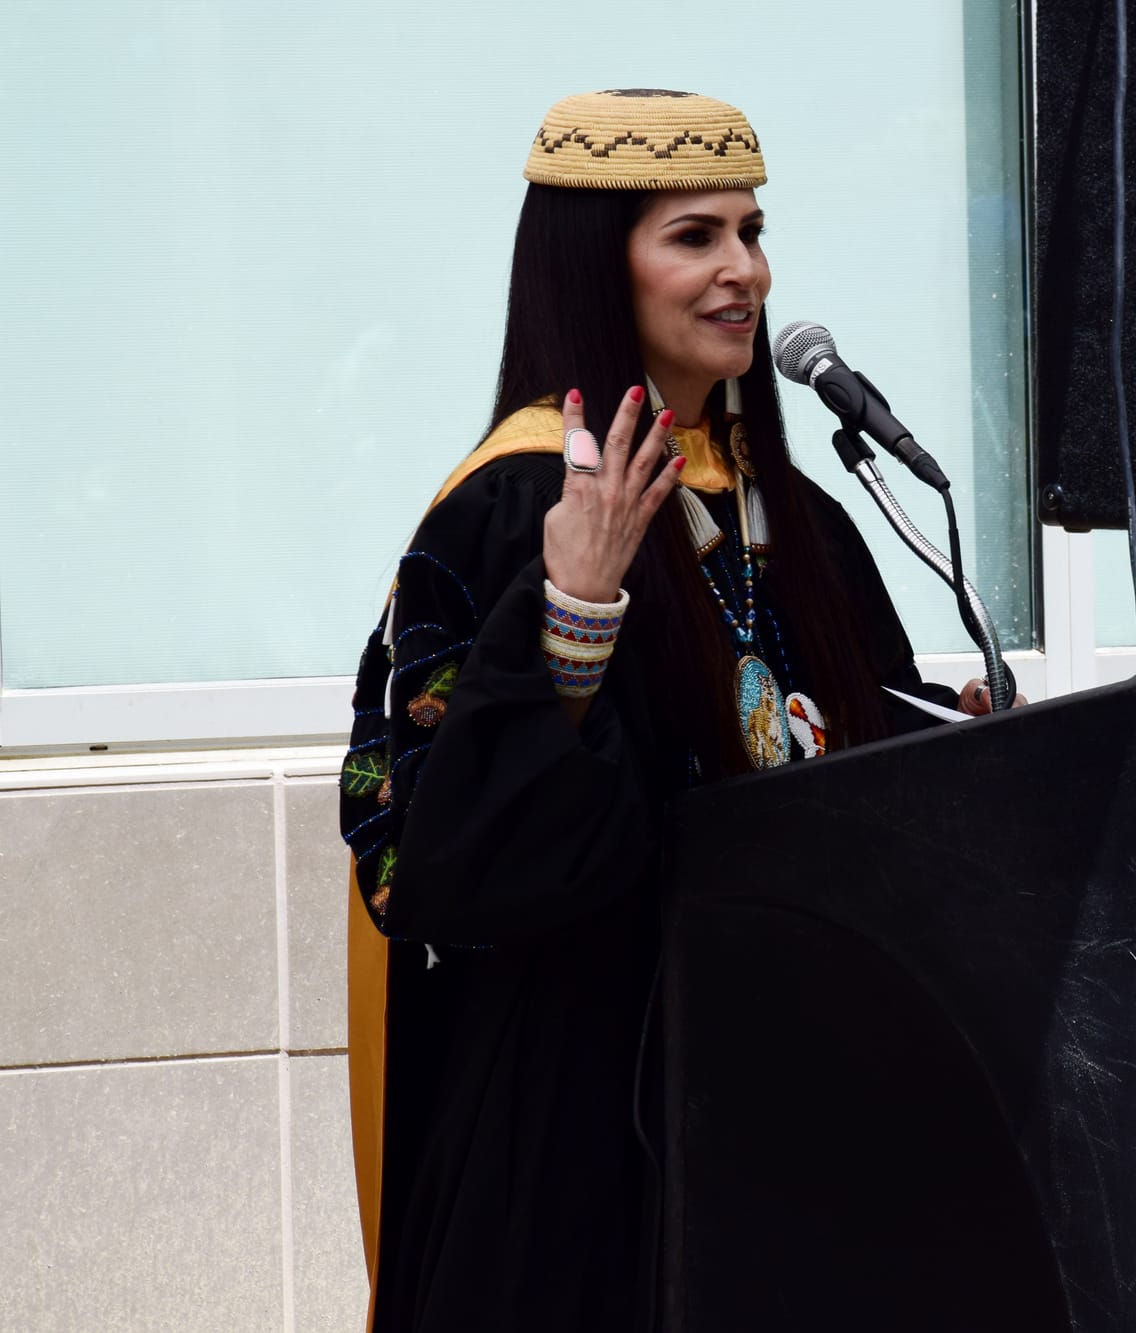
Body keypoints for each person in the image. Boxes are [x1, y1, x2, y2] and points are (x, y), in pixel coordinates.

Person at [337, 89, 991, 1331]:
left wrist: (951, 744)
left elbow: (828, 759)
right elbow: (429, 860)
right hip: (584, 1130)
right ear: (597, 268)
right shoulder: (516, 505)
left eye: (751, 232)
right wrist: (572, 617)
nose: (743, 271)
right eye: (694, 237)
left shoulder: (795, 511)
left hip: (788, 1101)